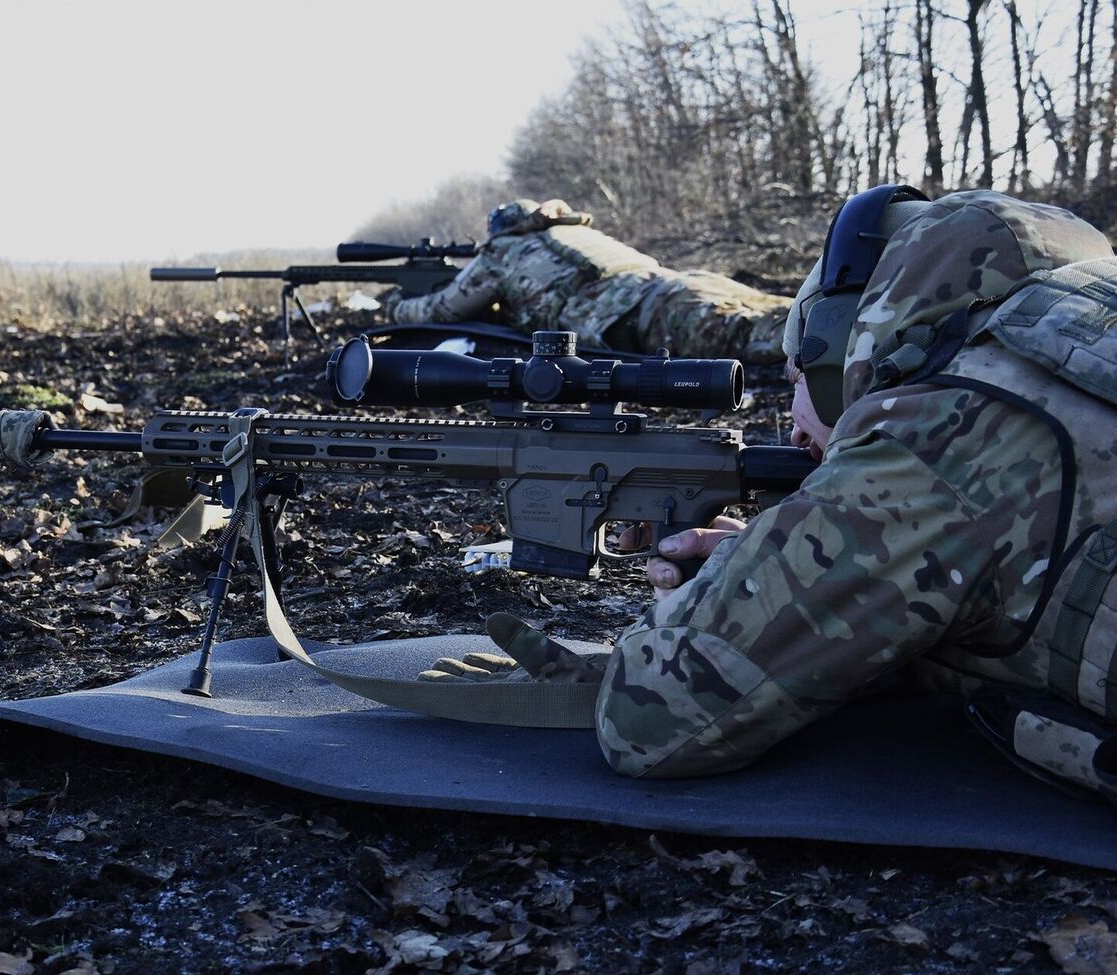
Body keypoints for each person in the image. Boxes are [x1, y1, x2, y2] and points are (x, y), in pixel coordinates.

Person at [431, 186, 1117, 804]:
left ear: (843, 348)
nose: (792, 423)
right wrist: (781, 569)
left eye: (796, 377)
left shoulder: (942, 432)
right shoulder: (1068, 359)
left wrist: (709, 613)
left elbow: (652, 725)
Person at [384, 198, 793, 363]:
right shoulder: (570, 233)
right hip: (680, 284)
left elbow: (443, 310)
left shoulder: (504, 250)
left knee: (768, 339)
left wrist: (394, 306)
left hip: (645, 314)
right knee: (788, 311)